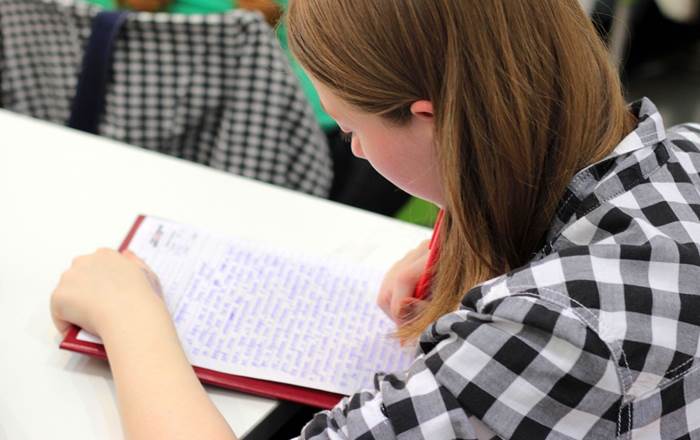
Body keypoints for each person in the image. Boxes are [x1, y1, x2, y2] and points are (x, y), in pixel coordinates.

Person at [50, 0, 700, 438]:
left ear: (433, 121)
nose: (353, 148)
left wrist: (131, 319)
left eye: (353, 128)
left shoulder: (548, 338)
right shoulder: (685, 154)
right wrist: (491, 235)